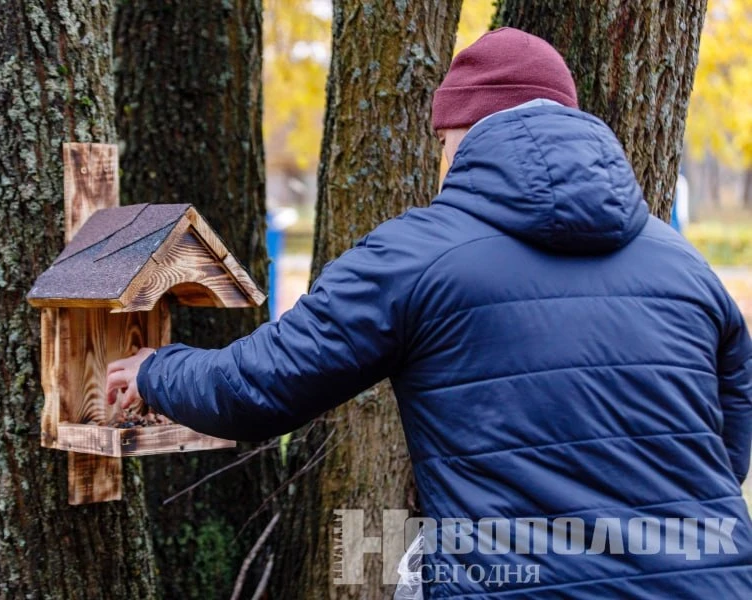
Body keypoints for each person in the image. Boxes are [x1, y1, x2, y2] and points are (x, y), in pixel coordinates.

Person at [106, 28, 752, 598]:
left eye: (442, 145)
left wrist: (157, 373)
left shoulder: (415, 255)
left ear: (460, 135)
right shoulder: (685, 266)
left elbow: (263, 385)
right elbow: (732, 431)